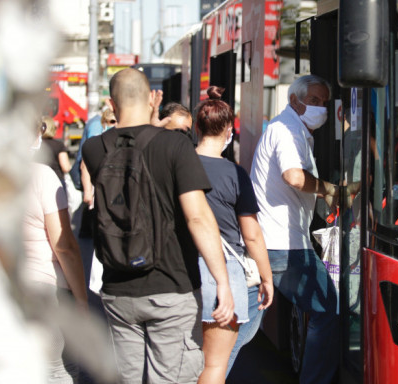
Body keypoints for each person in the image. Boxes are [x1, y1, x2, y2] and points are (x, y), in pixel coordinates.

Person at [81, 68, 234, 383]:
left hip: (118, 289)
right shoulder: (175, 147)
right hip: (171, 288)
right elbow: (197, 217)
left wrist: (153, 119)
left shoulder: (94, 149)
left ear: (111, 101)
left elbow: (132, 145)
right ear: (152, 99)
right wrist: (222, 281)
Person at [250, 74, 339, 384]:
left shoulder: (291, 128)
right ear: (294, 101)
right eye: (314, 101)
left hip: (276, 240)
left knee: (243, 325)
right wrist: (329, 190)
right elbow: (294, 177)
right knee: (326, 309)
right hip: (284, 244)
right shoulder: (287, 130)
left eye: (324, 103)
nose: (320, 109)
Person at [193, 86, 274, 383]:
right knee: (214, 365)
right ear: (229, 130)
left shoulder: (178, 165)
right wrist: (266, 277)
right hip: (221, 274)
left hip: (179, 269)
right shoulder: (235, 174)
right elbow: (251, 235)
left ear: (196, 127)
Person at [25, 120, 88, 382]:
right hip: (43, 286)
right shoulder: (42, 176)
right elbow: (64, 245)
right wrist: (82, 301)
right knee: (57, 370)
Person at [34, 116, 72, 187]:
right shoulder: (59, 145)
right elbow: (65, 167)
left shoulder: (35, 145)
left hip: (38, 181)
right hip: (56, 181)